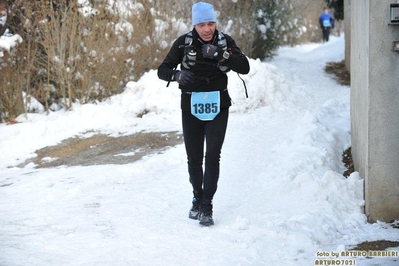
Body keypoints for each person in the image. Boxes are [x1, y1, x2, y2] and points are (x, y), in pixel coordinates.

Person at [157, 2, 250, 226]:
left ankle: (207, 204)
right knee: (194, 158)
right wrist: (177, 76)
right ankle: (197, 196)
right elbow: (162, 70)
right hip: (191, 104)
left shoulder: (224, 42)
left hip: (218, 104)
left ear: (215, 23)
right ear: (195, 25)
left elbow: (244, 66)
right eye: (201, 24)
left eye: (210, 23)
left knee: (213, 155)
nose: (207, 29)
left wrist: (221, 55)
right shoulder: (183, 43)